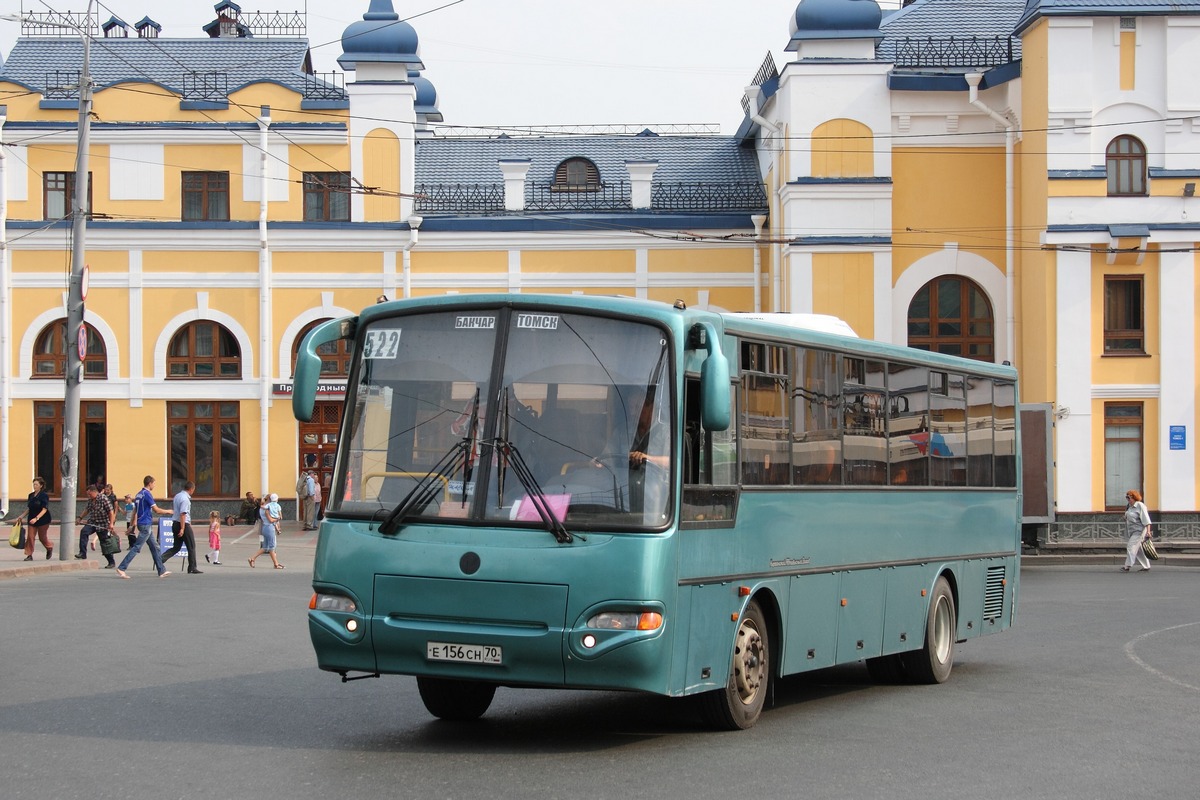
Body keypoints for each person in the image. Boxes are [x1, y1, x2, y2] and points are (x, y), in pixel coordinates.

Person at [116, 475, 173, 579]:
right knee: (137, 547)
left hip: (142, 524)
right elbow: (156, 510)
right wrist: (169, 511)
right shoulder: (147, 494)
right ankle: (122, 568)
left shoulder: (138, 494)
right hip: (146, 524)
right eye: (154, 483)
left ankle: (161, 570)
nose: (154, 485)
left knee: (155, 547)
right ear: (149, 483)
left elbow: (134, 511)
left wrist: (132, 526)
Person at [161, 480, 203, 574]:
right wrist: (183, 528)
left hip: (175, 523)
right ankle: (192, 567)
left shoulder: (177, 496)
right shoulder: (185, 499)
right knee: (191, 546)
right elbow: (183, 514)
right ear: (191, 489)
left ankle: (160, 559)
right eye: (193, 490)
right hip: (182, 524)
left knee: (176, 547)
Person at [75, 484, 117, 568]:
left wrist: (111, 524)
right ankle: (83, 553)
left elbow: (111, 512)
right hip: (93, 522)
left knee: (104, 543)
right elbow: (87, 509)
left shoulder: (103, 498)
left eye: (89, 494)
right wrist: (80, 518)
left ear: (94, 492)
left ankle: (111, 562)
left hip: (102, 524)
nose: (88, 496)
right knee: (84, 532)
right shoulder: (91, 500)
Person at [15, 477, 53, 561]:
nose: (34, 486)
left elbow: (44, 509)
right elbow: (29, 508)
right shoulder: (31, 495)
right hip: (31, 518)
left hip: (43, 520)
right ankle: (29, 554)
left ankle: (49, 547)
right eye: (33, 484)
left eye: (36, 484)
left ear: (41, 485)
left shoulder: (44, 496)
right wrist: (21, 516)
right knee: (30, 537)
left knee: (42, 537)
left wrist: (36, 518)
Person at [248, 492, 284, 569]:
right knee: (272, 546)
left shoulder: (263, 508)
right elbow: (271, 520)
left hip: (265, 527)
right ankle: (276, 564)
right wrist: (277, 518)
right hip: (269, 527)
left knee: (265, 547)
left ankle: (252, 558)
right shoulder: (267, 509)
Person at [1121, 489, 1152, 573]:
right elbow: (1129, 516)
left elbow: (1146, 519)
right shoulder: (1129, 506)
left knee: (1131, 546)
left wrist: (1148, 532)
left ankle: (1127, 566)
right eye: (1126, 497)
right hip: (1131, 531)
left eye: (1129, 497)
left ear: (1134, 497)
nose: (1127, 499)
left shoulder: (1140, 505)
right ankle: (1146, 566)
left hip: (1139, 530)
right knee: (1138, 549)